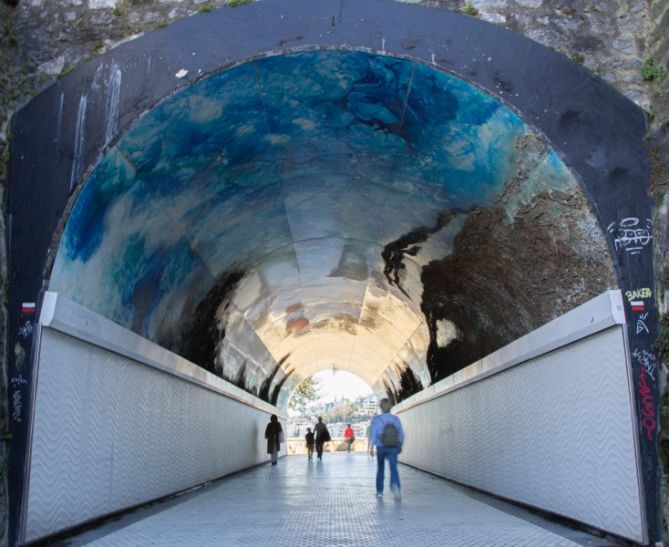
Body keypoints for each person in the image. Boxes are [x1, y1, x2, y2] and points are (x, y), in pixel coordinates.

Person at [370, 398, 404, 499]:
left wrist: (372, 447)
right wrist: (400, 446)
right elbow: (401, 434)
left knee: (380, 469)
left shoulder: (376, 419)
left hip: (381, 447)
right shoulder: (395, 419)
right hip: (393, 447)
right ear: (390, 407)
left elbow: (374, 434)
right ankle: (395, 485)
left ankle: (379, 491)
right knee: (393, 468)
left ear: (381, 407)